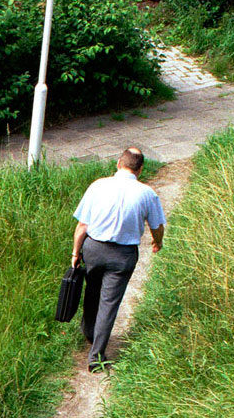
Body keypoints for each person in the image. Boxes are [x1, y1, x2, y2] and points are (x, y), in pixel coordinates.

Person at [70, 147, 165, 372]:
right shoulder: (147, 194)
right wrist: (157, 242)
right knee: (109, 303)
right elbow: (157, 226)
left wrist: (76, 252)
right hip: (123, 256)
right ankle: (96, 356)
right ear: (140, 170)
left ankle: (89, 331)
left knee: (92, 292)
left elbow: (82, 226)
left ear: (118, 164)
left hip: (94, 248)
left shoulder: (98, 186)